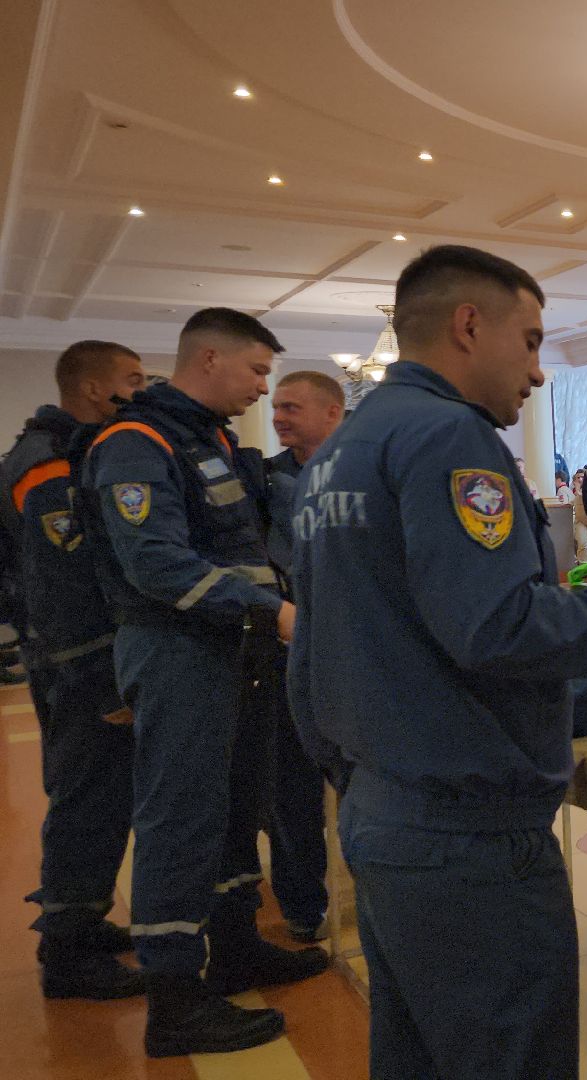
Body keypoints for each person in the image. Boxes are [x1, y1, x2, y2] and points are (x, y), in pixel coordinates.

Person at [287, 244, 587, 1080]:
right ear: (467, 325)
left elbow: (313, 650)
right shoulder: (449, 435)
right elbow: (498, 625)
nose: (536, 371)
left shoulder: (339, 453)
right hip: (465, 834)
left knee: (416, 1055)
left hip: (383, 810)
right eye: (529, 342)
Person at [81, 308, 326, 1057]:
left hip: (234, 653)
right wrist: (270, 609)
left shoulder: (210, 440)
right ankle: (175, 999)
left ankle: (236, 946)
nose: (263, 388)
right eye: (256, 371)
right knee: (180, 818)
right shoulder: (136, 443)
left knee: (233, 811)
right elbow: (154, 562)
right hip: (178, 650)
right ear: (210, 358)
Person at [0, 340, 147, 1000]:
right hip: (77, 665)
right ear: (93, 389)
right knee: (86, 799)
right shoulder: (50, 464)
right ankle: (66, 952)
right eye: (131, 379)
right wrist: (102, 680)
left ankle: (83, 922)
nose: (140, 391)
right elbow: (62, 582)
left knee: (101, 795)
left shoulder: (65, 450)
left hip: (71, 658)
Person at [263, 371, 345, 942]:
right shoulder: (264, 482)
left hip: (357, 646)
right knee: (289, 786)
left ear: (332, 413)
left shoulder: (369, 473)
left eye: (291, 407)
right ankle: (302, 901)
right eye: (276, 407)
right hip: (287, 644)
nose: (279, 417)